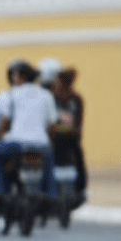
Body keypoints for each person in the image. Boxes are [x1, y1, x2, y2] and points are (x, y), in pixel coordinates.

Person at [0, 59, 58, 209]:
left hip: (15, 143)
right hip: (40, 144)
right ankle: (50, 195)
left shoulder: (9, 95)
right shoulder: (46, 95)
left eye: (15, 76)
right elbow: (53, 125)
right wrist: (47, 141)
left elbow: (4, 120)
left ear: (20, 77)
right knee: (49, 159)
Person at [50, 67, 87, 201]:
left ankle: (80, 189)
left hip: (67, 138)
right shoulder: (53, 100)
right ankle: (80, 189)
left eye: (57, 84)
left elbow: (78, 122)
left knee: (77, 156)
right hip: (63, 138)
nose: (55, 86)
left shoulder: (75, 100)